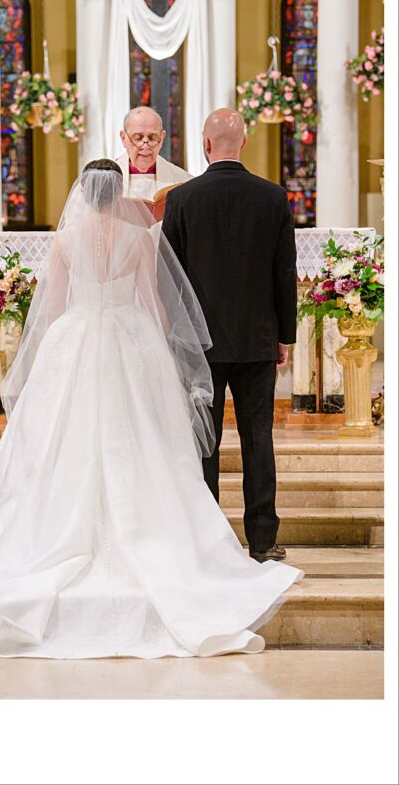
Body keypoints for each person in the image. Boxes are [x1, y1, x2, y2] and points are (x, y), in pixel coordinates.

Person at [0, 160, 302, 660]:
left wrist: (45, 356)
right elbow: (154, 302)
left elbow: (54, 307)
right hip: (131, 342)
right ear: (117, 194)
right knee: (141, 438)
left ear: (85, 195)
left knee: (68, 441)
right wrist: (161, 350)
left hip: (79, 339)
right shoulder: (139, 240)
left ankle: (63, 532)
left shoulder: (65, 242)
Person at [163, 108, 298, 563]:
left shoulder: (182, 199)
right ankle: (263, 540)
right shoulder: (273, 197)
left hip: (201, 343)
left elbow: (170, 277)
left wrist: (178, 336)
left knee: (205, 439)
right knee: (259, 437)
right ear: (244, 143)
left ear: (205, 145)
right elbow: (284, 274)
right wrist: (285, 335)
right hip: (258, 339)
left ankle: (209, 539)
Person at [115, 106, 193, 203]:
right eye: (138, 138)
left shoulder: (183, 182)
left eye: (152, 138)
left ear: (162, 138)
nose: (145, 147)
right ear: (123, 138)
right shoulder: (107, 181)